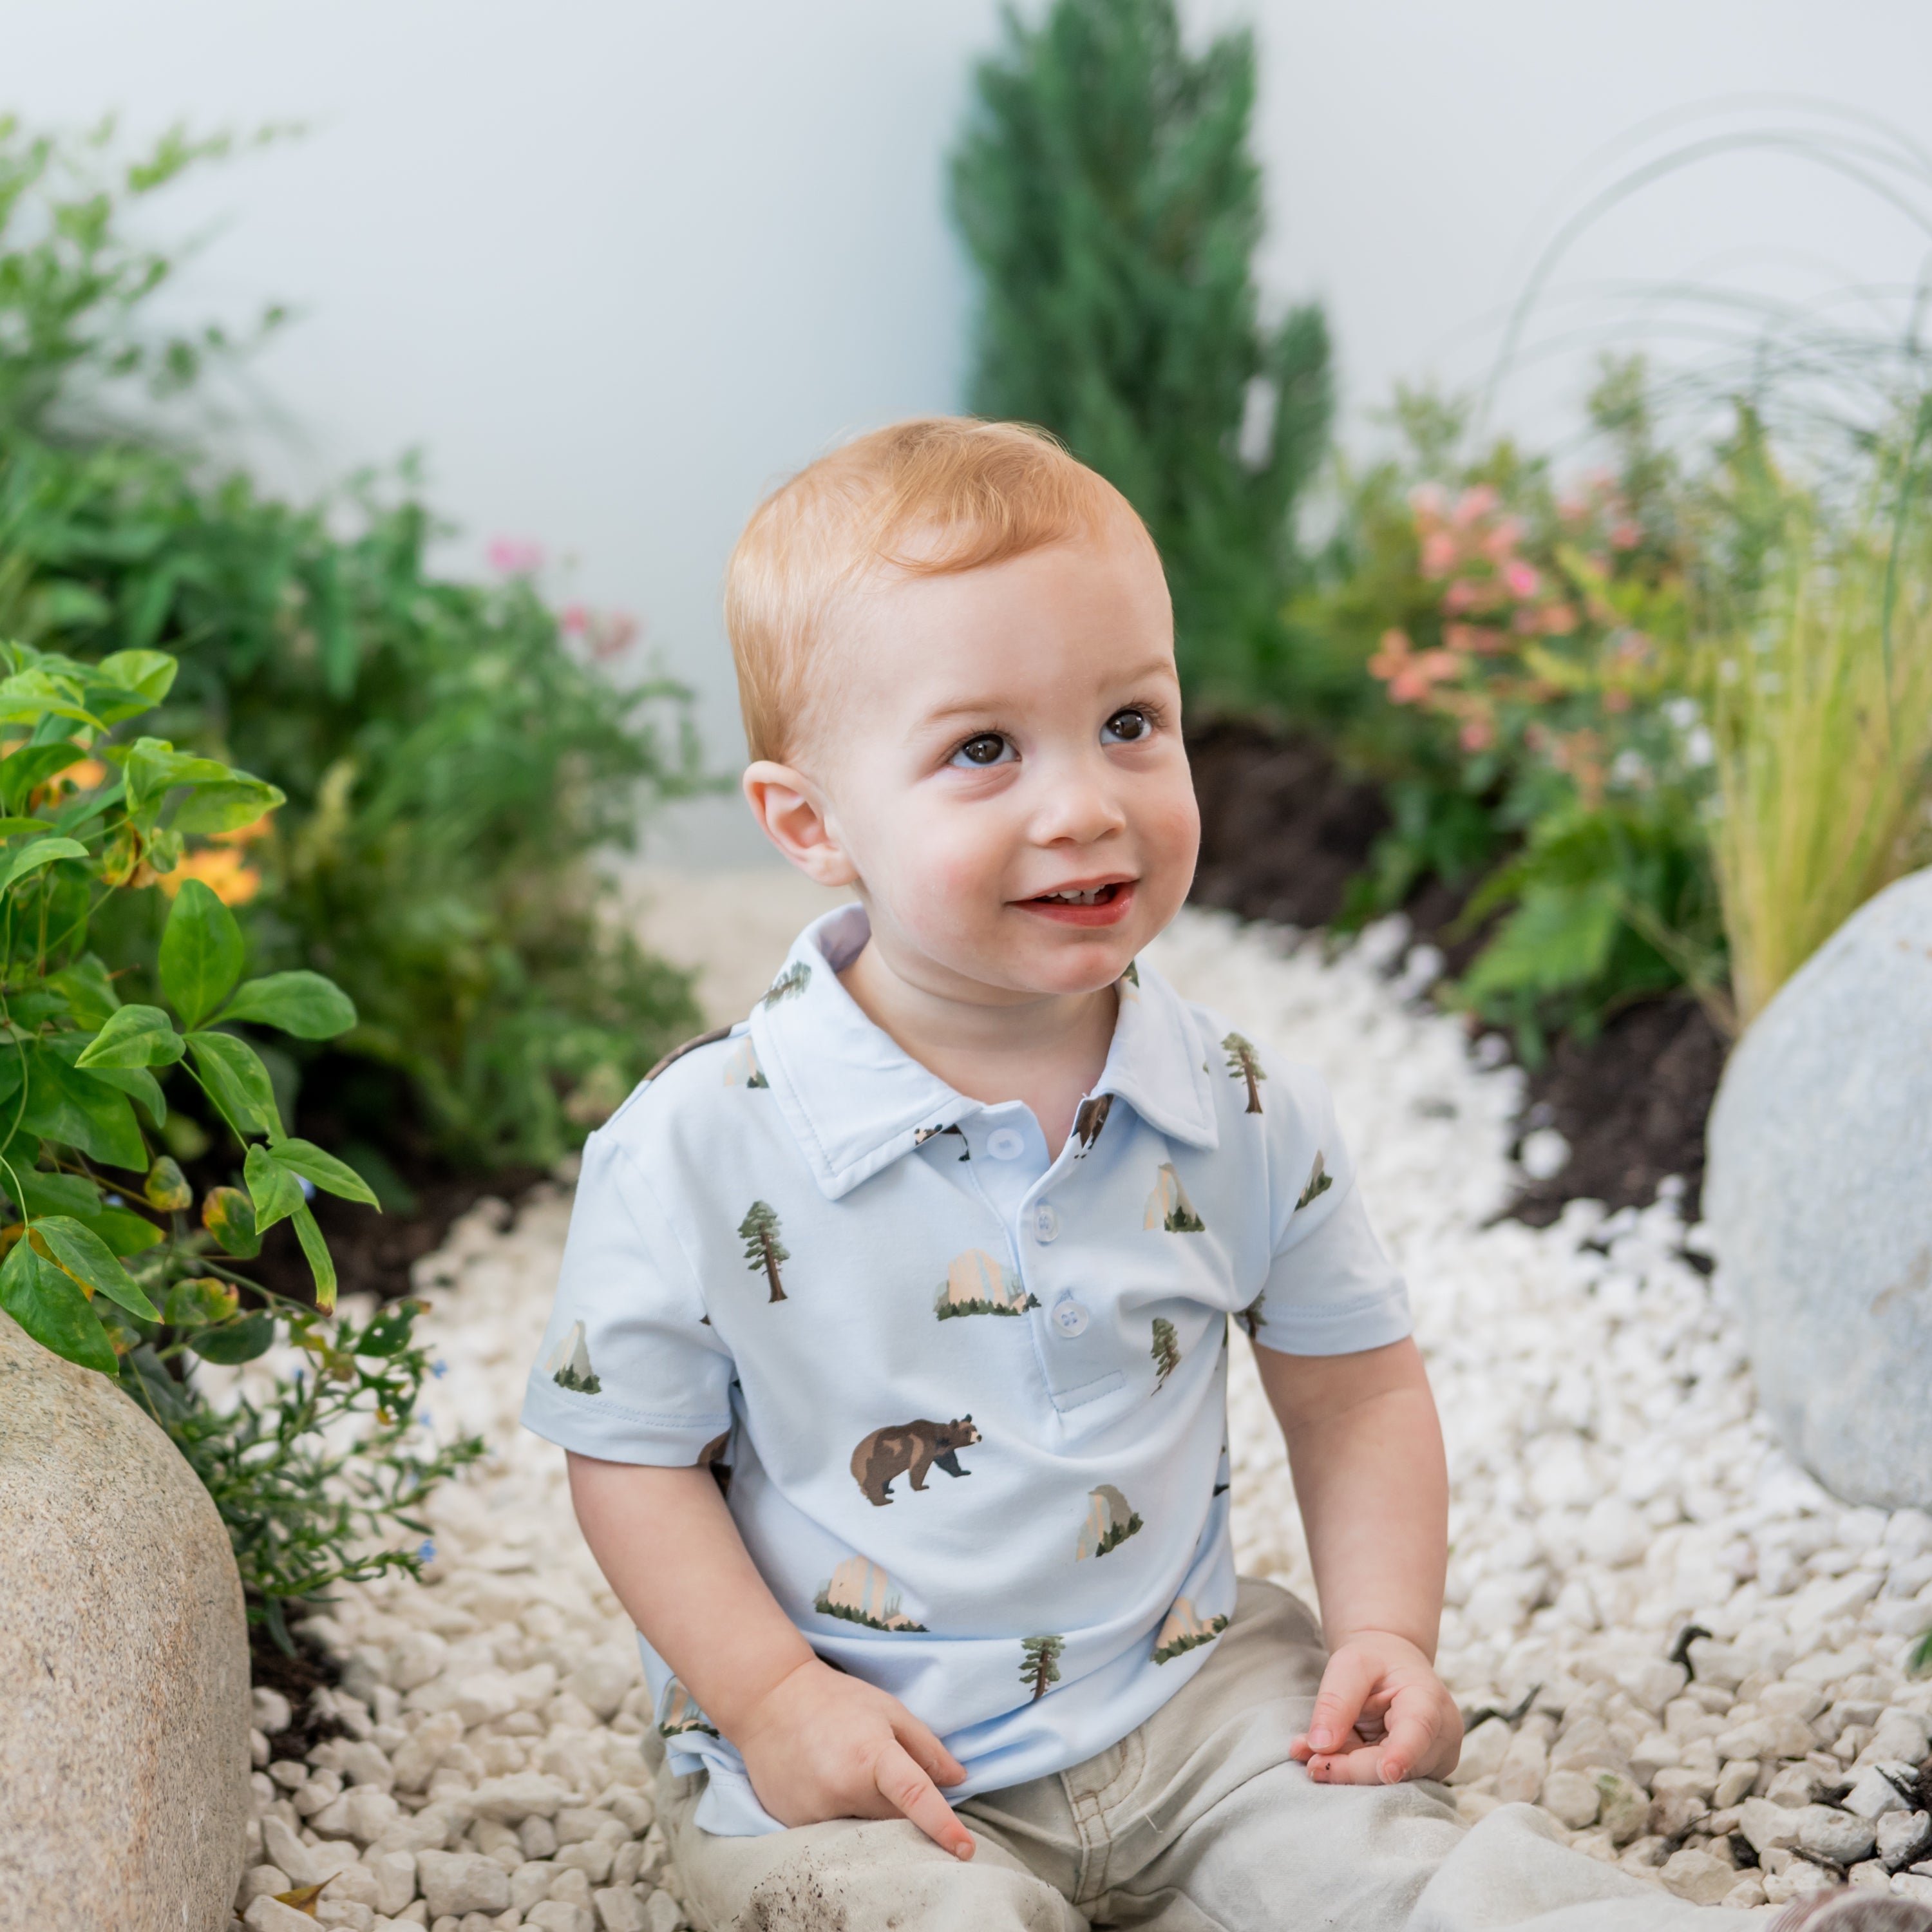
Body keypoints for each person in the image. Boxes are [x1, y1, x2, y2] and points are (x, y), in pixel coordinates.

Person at [522, 419, 1916, 1931]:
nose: (1085, 804)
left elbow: (1357, 1386)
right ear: (809, 823)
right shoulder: (699, 1142)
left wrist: (1386, 1630)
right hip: (873, 1760)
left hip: (1196, 1704)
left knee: (1404, 1876)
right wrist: (777, 1697)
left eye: (1131, 721)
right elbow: (633, 1456)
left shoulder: (1237, 1105)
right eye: (983, 749)